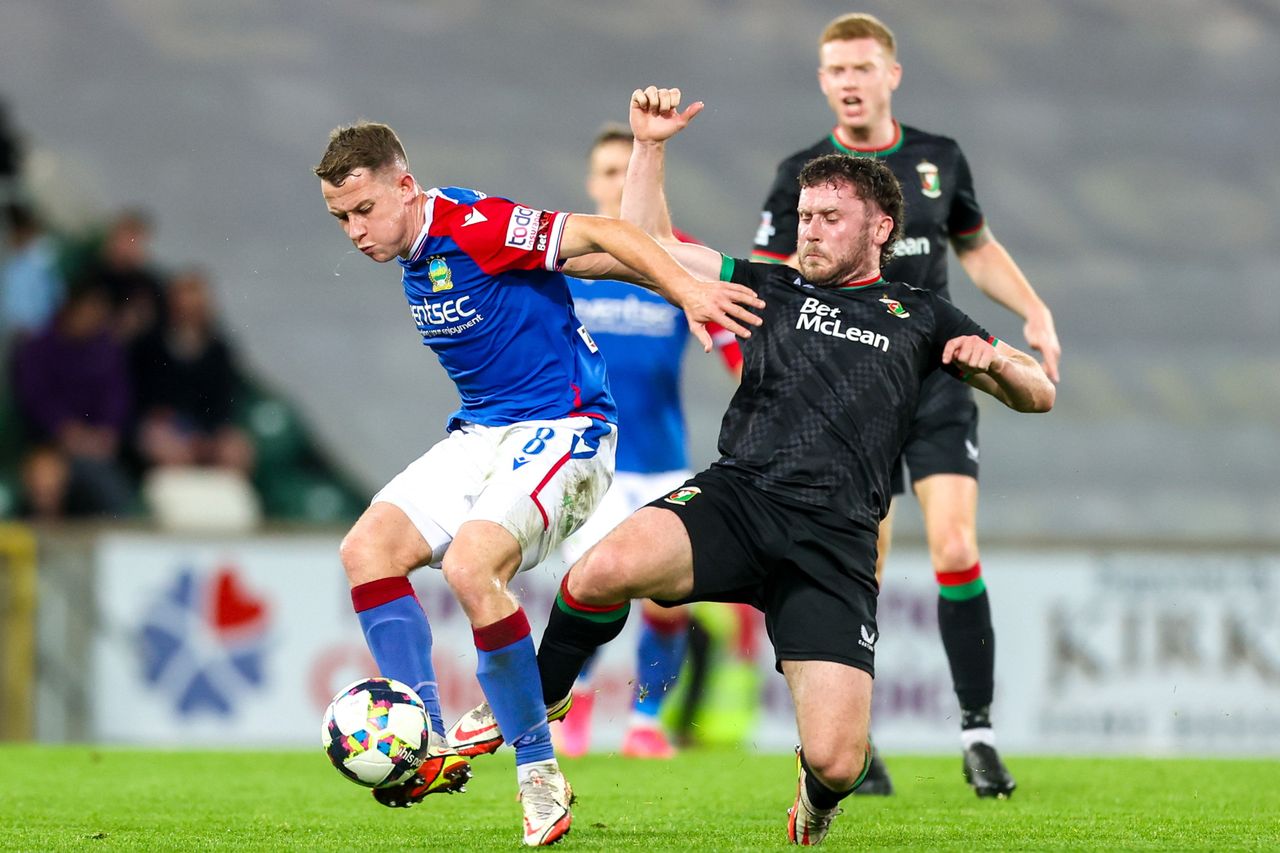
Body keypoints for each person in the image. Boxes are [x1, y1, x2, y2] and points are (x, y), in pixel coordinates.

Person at [451, 86, 1055, 846]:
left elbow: (1039, 393)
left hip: (833, 542)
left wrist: (997, 369)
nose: (809, 231)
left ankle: (816, 795)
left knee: (841, 758)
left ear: (881, 227)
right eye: (804, 217)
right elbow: (652, 249)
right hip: (739, 500)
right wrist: (651, 147)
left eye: (830, 218)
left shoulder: (924, 315)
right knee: (599, 572)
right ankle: (540, 698)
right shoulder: (767, 284)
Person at [312, 120, 762, 847]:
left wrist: (687, 289)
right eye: (341, 218)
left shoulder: (477, 223)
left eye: (364, 211)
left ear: (405, 186)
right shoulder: (414, 248)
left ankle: (538, 769)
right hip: (485, 432)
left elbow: (601, 235)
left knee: (470, 565)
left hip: (569, 426)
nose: (355, 231)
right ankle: (423, 740)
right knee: (366, 549)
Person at [751, 13, 1062, 797]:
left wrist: (1034, 310)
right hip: (850, 396)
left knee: (955, 545)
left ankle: (978, 735)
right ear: (822, 81)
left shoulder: (938, 158)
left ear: (892, 74)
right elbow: (769, 275)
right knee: (866, 565)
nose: (849, 81)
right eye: (835, 70)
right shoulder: (804, 173)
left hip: (934, 381)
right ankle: (860, 739)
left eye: (862, 67)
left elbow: (976, 247)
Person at [552, 124, 742, 759]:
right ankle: (570, 713)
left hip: (663, 459)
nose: (615, 182)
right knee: (587, 586)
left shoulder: (676, 258)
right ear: (590, 181)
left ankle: (646, 720)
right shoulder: (569, 261)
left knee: (667, 598)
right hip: (589, 458)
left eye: (625, 171)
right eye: (606, 171)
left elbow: (737, 345)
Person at [11, 283, 134, 518]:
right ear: (72, 309)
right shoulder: (38, 348)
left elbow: (116, 396)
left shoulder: (107, 349)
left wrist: (107, 431)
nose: (94, 318)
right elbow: (35, 399)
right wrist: (66, 430)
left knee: (108, 487)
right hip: (48, 443)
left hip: (95, 447)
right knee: (53, 476)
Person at [129, 267, 254, 476]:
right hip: (163, 425)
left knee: (235, 451)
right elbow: (142, 395)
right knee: (169, 449)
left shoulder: (219, 350)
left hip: (207, 428)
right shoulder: (149, 345)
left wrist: (208, 434)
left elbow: (223, 400)